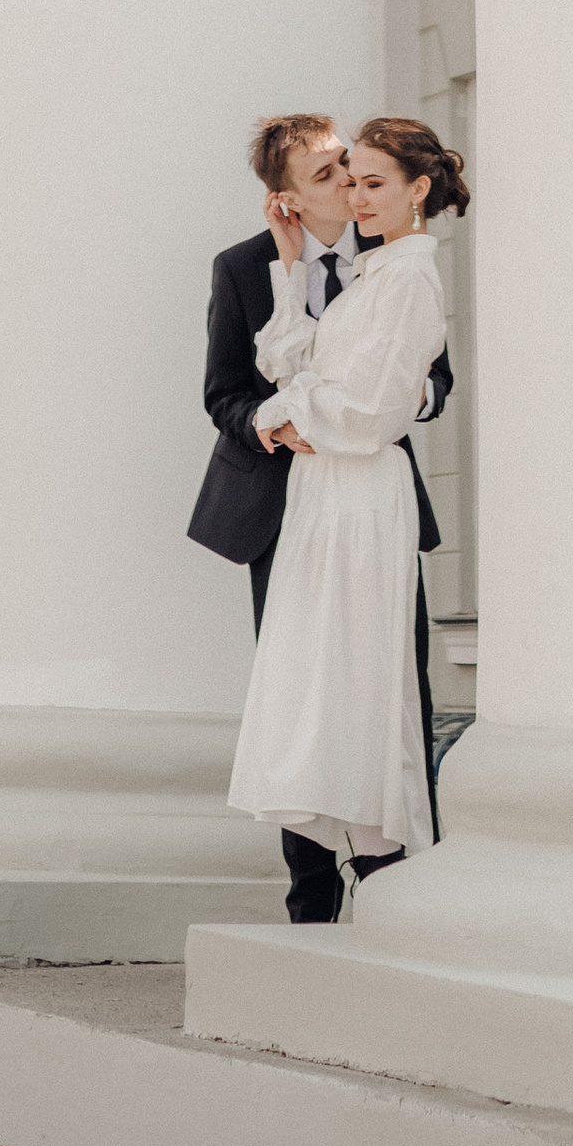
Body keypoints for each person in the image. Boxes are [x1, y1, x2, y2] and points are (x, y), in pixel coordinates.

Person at [191, 113, 454, 921]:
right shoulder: (246, 268)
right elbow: (225, 392)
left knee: (389, 684)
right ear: (289, 199)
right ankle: (311, 892)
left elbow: (431, 376)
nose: (347, 182)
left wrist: (416, 397)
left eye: (353, 167)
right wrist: (276, 424)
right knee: (304, 694)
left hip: (367, 498)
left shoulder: (391, 260)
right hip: (285, 506)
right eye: (328, 174)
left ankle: (396, 879)